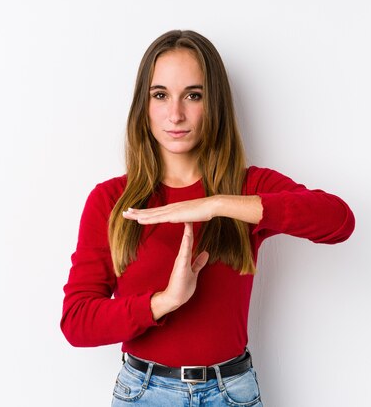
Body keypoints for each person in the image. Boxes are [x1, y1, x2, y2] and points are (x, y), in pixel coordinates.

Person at [61, 29, 355, 406]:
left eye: (193, 95)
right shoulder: (112, 200)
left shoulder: (248, 186)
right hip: (144, 393)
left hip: (230, 392)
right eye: (161, 95)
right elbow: (77, 321)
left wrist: (216, 203)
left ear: (213, 103)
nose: (176, 113)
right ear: (144, 105)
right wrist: (164, 302)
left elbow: (338, 221)